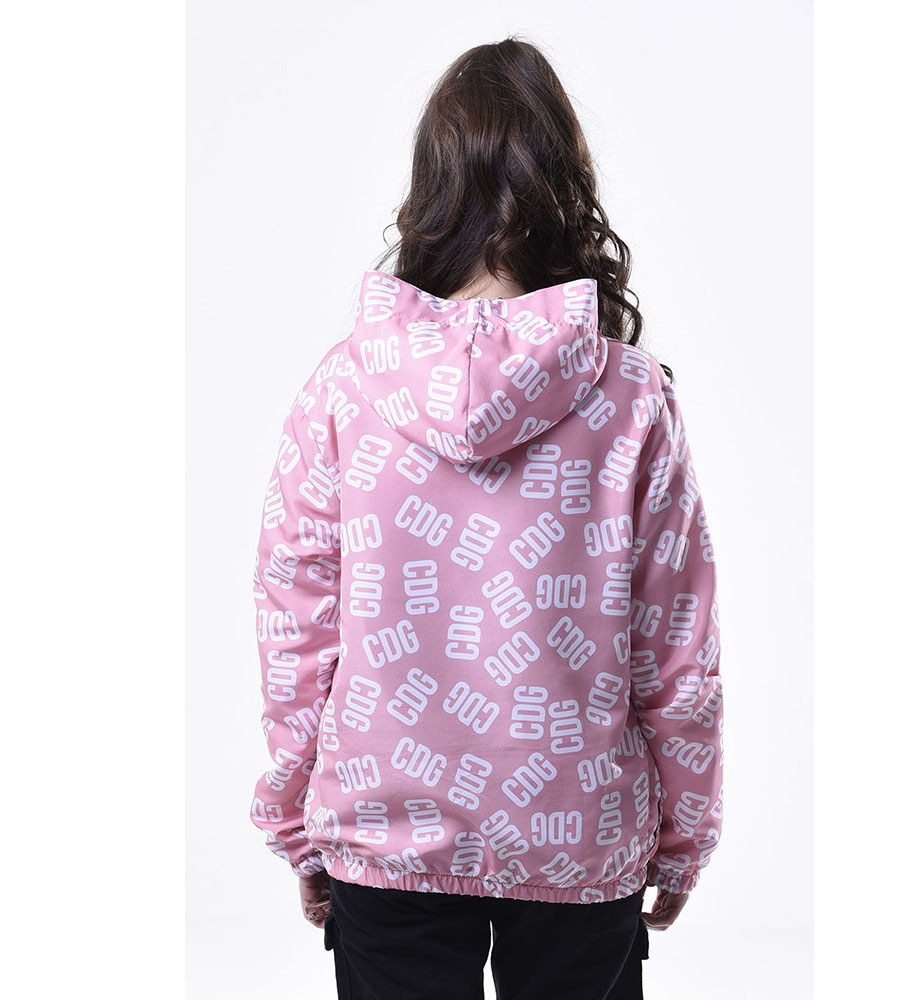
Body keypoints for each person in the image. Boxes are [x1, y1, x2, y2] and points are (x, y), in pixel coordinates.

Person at [249, 35, 724, 1000]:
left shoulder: (344, 391)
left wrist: (297, 820)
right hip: (580, 834)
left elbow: (294, 625)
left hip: (385, 830)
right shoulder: (632, 398)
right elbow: (677, 649)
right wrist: (685, 834)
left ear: (433, 193)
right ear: (565, 189)